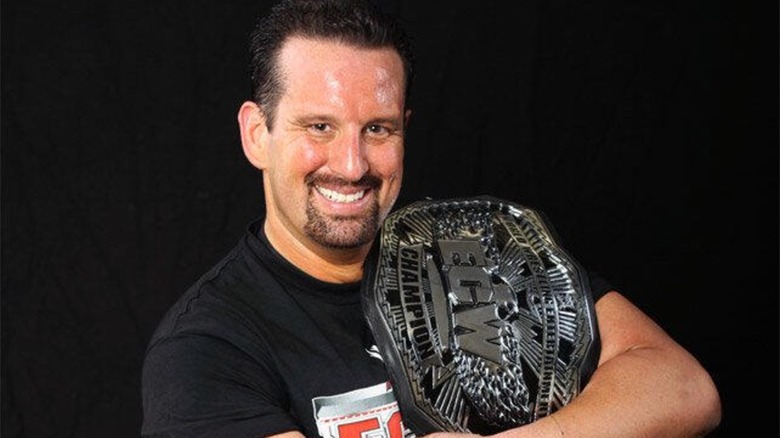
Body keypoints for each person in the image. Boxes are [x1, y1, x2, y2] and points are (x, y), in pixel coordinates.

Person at [141, 0, 722, 437]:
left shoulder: (475, 251)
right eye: (319, 126)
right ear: (256, 135)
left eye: (378, 129)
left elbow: (685, 387)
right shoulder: (205, 350)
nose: (351, 164)